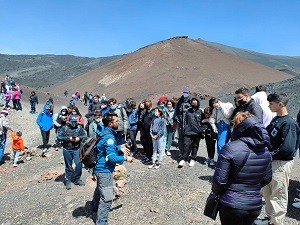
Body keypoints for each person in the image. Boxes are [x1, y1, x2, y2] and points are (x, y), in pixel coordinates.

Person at [212, 112, 272, 225]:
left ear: (239, 127)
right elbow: (267, 178)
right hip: (254, 206)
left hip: (231, 204)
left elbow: (219, 181)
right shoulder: (265, 150)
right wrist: (252, 187)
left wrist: (218, 192)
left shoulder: (230, 148)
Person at [254, 92, 300, 225]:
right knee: (267, 192)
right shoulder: (276, 119)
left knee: (278, 195)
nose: (268, 106)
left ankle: (277, 222)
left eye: (271, 104)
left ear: (280, 104)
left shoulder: (289, 124)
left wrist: (268, 155)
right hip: (269, 162)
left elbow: (288, 149)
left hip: (279, 163)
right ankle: (270, 219)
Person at [90, 112, 133, 225]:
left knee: (100, 189)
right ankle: (101, 222)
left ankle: (94, 206)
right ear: (110, 124)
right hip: (104, 170)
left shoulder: (103, 131)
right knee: (107, 198)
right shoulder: (109, 137)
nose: (118, 122)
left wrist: (119, 147)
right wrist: (125, 158)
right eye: (116, 121)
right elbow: (112, 158)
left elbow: (103, 148)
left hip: (98, 168)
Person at [57, 114, 87, 190]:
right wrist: (69, 138)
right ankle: (68, 180)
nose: (74, 123)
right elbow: (59, 137)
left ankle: (77, 179)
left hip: (77, 149)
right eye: (72, 121)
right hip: (67, 149)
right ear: (69, 121)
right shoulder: (65, 128)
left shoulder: (79, 128)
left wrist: (79, 138)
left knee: (79, 164)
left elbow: (84, 136)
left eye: (75, 121)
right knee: (68, 166)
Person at [178, 96, 205, 168]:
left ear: (198, 102)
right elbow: (185, 120)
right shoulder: (188, 111)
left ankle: (193, 158)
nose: (193, 102)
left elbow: (204, 122)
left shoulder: (200, 112)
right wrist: (185, 128)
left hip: (197, 132)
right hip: (188, 131)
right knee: (186, 145)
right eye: (193, 101)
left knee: (195, 146)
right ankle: (184, 158)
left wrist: (201, 130)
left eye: (195, 101)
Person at [174, 87, 191, 157]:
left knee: (187, 139)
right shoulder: (180, 101)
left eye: (186, 92)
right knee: (180, 138)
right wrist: (176, 119)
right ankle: (181, 152)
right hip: (180, 123)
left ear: (189, 92)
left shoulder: (191, 101)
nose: (185, 93)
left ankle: (186, 153)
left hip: (188, 123)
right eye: (184, 92)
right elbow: (176, 111)